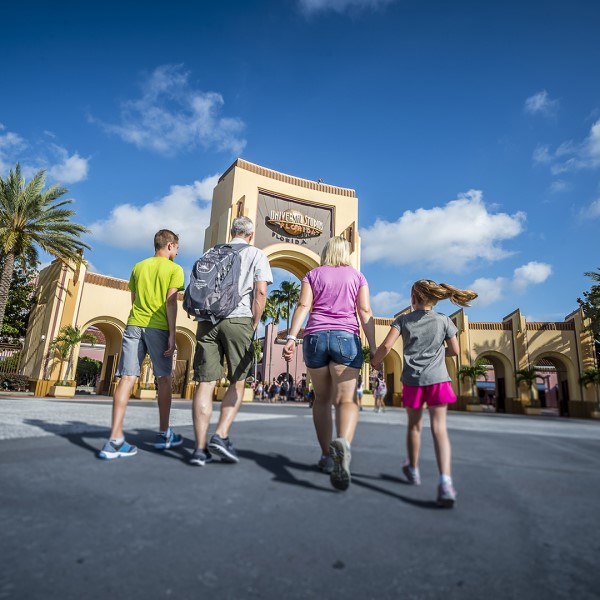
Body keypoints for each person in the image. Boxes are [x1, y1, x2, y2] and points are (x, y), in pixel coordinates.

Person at [371, 279, 477, 508]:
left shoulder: (402, 320)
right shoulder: (444, 321)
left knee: (415, 427)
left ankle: (413, 469)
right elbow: (455, 351)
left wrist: (375, 362)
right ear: (435, 298)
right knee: (439, 430)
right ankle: (445, 482)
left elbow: (387, 346)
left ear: (413, 298)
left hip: (413, 381)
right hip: (439, 380)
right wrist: (437, 352)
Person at [283, 236, 376, 491]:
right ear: (346, 253)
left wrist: (291, 336)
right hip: (346, 338)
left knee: (322, 399)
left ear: (326, 252)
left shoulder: (312, 274)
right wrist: (374, 347)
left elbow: (304, 305)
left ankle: (326, 455)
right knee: (346, 399)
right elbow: (365, 312)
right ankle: (343, 444)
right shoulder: (357, 276)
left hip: (314, 338)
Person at [190, 216, 272, 466]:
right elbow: (260, 292)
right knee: (237, 381)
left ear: (232, 231)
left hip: (207, 321)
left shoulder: (211, 251)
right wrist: (254, 322)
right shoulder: (256, 254)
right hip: (238, 320)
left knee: (205, 383)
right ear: (250, 234)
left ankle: (199, 449)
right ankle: (221, 434)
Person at [99, 229, 185, 459]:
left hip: (134, 325)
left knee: (127, 379)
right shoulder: (175, 269)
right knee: (164, 379)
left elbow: (134, 300)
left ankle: (115, 440)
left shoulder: (138, 267)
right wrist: (172, 334)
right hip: (159, 327)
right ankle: (164, 433)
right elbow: (170, 304)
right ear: (169, 246)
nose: (177, 252)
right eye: (177, 247)